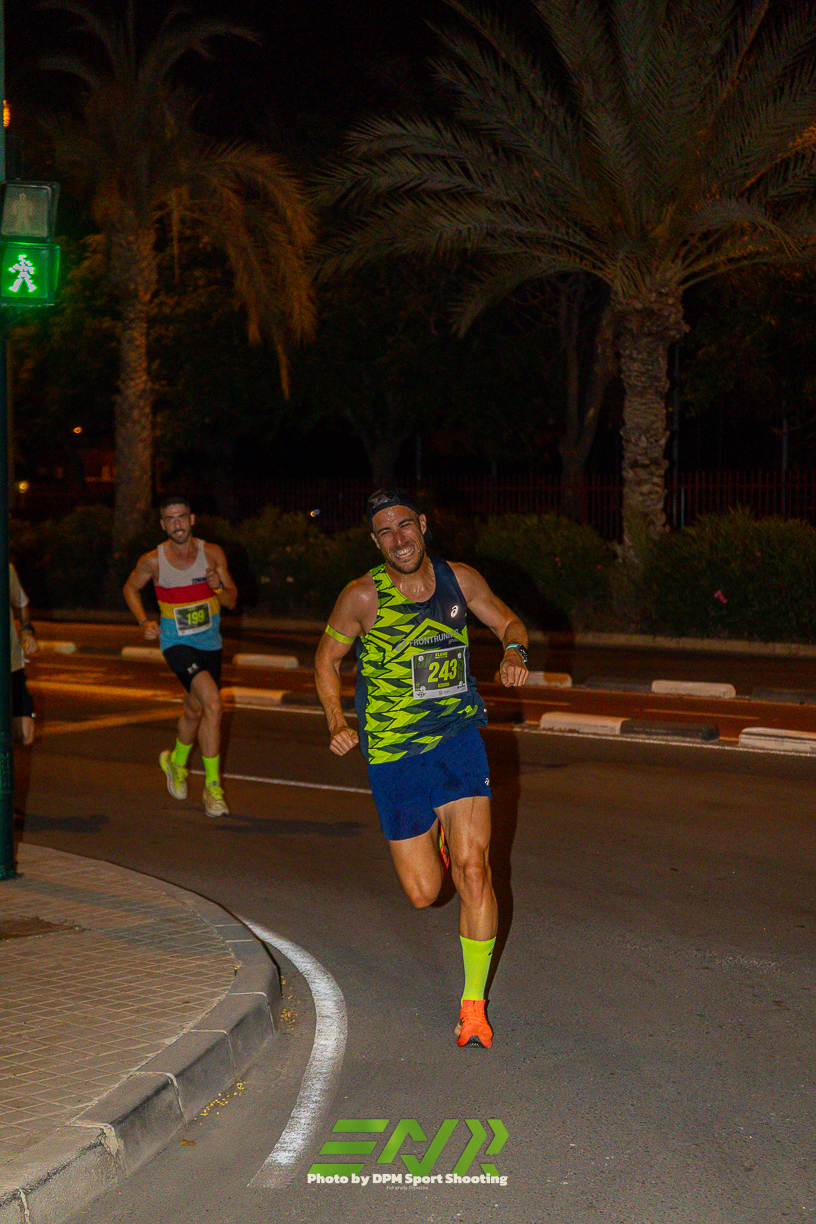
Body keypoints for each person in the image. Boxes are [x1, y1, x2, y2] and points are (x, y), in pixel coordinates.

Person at [315, 489, 529, 1049]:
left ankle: (473, 1007)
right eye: (385, 532)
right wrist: (336, 720)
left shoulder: (460, 579)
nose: (399, 539)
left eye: (405, 525)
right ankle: (436, 836)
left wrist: (515, 652)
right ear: (375, 541)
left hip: (457, 738)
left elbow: (509, 623)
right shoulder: (362, 596)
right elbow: (326, 659)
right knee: (424, 893)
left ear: (424, 525)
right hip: (394, 753)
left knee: (474, 870)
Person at [123, 495, 237, 817]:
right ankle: (213, 789)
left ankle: (175, 761)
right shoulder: (153, 561)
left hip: (210, 643)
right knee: (213, 703)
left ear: (192, 519)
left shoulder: (212, 553)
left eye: (181, 517)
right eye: (170, 519)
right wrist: (143, 621)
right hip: (176, 642)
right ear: (163, 525)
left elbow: (231, 600)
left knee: (194, 709)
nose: (177, 524)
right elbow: (130, 589)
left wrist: (218, 588)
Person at [9, 562, 37, 746]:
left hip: (12, 662)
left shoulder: (5, 568)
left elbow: (21, 604)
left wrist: (26, 630)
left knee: (26, 734)